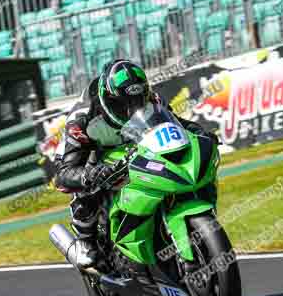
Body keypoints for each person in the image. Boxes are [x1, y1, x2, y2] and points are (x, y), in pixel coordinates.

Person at [54, 59, 215, 269]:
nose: (131, 109)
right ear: (108, 100)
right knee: (88, 183)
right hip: (92, 151)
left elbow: (178, 125)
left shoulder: (153, 100)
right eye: (123, 105)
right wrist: (90, 174)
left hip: (132, 143)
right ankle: (86, 240)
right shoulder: (82, 120)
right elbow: (63, 175)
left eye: (137, 101)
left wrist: (201, 133)